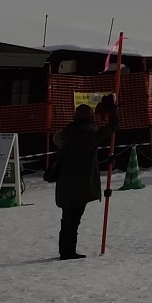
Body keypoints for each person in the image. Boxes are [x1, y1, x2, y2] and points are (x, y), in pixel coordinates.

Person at [49, 104, 103, 260]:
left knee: (67, 218)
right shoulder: (88, 136)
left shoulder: (68, 134)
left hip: (65, 184)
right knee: (74, 219)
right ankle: (68, 251)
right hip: (80, 185)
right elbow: (112, 128)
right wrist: (113, 112)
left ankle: (65, 250)